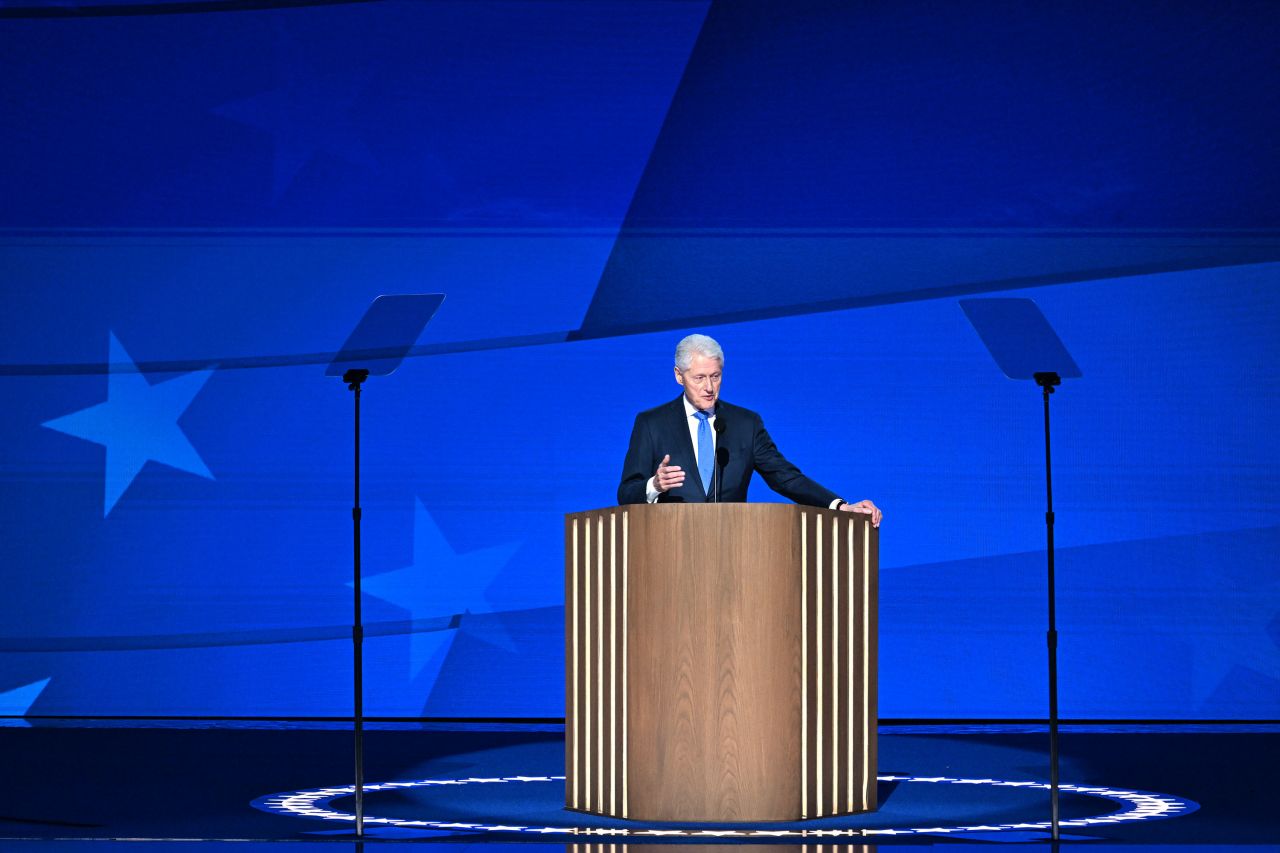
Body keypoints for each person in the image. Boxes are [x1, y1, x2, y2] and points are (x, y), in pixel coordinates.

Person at [617, 334, 882, 526]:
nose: (709, 387)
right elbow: (626, 493)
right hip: (670, 545)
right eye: (699, 377)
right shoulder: (651, 424)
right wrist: (654, 485)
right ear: (679, 376)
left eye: (716, 376)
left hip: (733, 546)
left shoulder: (746, 424)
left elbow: (785, 477)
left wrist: (839, 505)